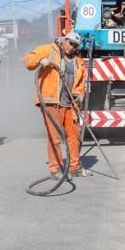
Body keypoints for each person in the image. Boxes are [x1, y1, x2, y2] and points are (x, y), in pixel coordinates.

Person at [22, 31, 91, 179]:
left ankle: (74, 167)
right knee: (55, 138)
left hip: (69, 105)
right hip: (52, 103)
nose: (72, 47)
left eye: (76, 45)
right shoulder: (49, 50)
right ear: (65, 40)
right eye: (71, 43)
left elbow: (82, 83)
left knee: (74, 136)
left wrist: (79, 94)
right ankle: (56, 169)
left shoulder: (77, 60)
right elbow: (27, 60)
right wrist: (41, 60)